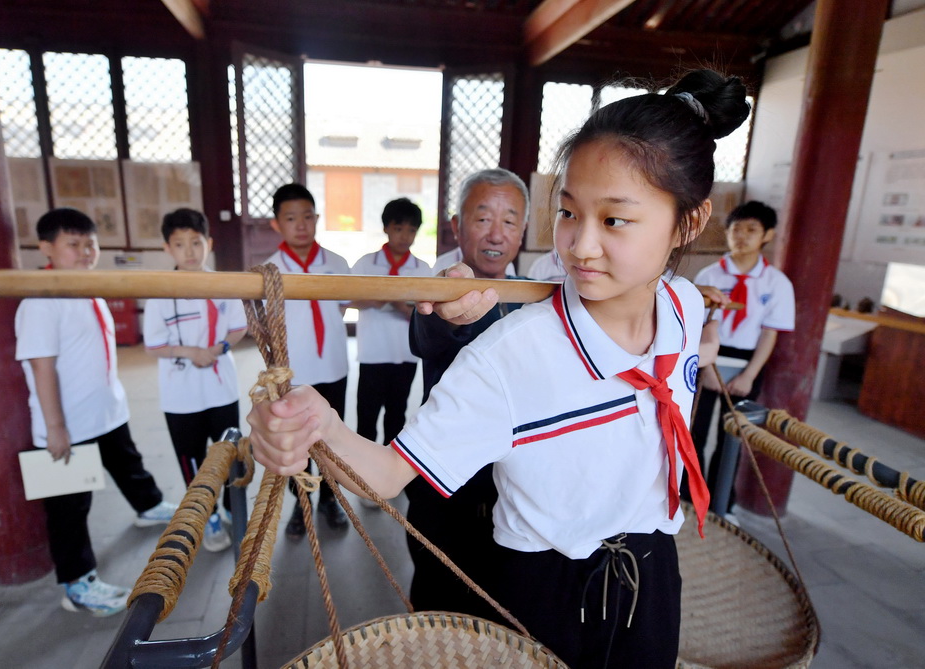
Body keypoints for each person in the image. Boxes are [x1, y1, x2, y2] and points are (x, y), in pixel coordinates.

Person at [248, 69, 749, 668]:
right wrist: (320, 428)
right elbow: (386, 474)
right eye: (568, 213)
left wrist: (710, 344)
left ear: (688, 223)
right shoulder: (514, 352)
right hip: (544, 592)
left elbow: (689, 356)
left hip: (655, 574)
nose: (580, 246)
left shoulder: (684, 305)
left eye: (614, 219)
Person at [15, 208, 178, 617]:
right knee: (70, 508)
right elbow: (41, 365)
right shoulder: (41, 299)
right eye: (74, 244)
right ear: (46, 247)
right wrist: (55, 427)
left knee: (128, 462)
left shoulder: (88, 286)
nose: (86, 251)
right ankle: (78, 584)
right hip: (65, 425)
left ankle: (148, 505)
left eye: (91, 243)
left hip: (104, 410)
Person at [405, 168, 529, 620]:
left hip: (512, 479)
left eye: (510, 220)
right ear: (457, 225)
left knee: (502, 599)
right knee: (438, 591)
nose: (496, 233)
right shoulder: (441, 286)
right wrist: (451, 313)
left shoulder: (538, 297)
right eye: (482, 218)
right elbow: (428, 333)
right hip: (444, 474)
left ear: (522, 233)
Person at [142, 208, 248, 552]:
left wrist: (218, 348)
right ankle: (209, 516)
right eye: (179, 244)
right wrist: (191, 352)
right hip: (180, 395)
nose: (189, 251)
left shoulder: (222, 284)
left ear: (209, 244)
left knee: (230, 453)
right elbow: (154, 345)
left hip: (221, 389)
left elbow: (239, 326)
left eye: (196, 242)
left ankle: (235, 509)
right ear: (167, 248)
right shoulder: (160, 290)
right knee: (192, 460)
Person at [690, 200, 794, 508]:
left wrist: (749, 375)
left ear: (768, 235)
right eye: (736, 229)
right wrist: (706, 366)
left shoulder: (777, 283)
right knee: (694, 430)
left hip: (748, 363)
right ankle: (688, 497)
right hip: (707, 359)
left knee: (732, 436)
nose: (742, 236)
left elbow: (769, 333)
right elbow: (697, 326)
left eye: (751, 230)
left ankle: (722, 502)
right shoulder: (709, 276)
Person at [263, 183, 351, 538]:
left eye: (307, 216)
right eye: (291, 218)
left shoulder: (337, 263)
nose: (301, 224)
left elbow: (342, 307)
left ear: (316, 218)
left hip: (332, 365)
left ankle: (330, 498)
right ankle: (301, 506)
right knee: (295, 443)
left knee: (330, 438)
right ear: (276, 224)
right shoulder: (269, 270)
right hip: (292, 374)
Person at [349, 198, 433, 453]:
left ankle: (388, 469)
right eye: (399, 228)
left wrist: (400, 305)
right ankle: (361, 469)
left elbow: (426, 315)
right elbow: (348, 301)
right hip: (373, 353)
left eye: (411, 230)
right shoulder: (366, 263)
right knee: (366, 415)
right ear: (386, 228)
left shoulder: (421, 268)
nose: (405, 236)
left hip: (405, 354)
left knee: (397, 414)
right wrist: (377, 298)